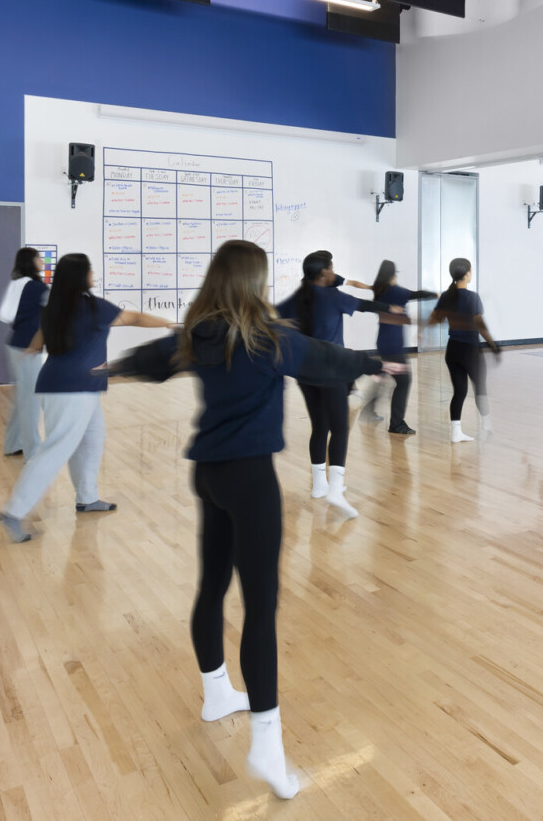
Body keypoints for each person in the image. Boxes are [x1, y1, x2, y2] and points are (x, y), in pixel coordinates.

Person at [106, 240, 403, 801]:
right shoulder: (269, 339)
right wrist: (370, 362)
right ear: (254, 282)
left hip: (209, 476)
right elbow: (322, 357)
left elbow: (151, 360)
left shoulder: (197, 335)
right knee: (260, 607)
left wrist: (111, 366)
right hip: (250, 482)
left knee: (212, 587)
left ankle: (216, 692)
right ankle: (267, 745)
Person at [0, 253, 174, 542]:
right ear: (83, 276)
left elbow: (38, 341)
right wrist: (168, 323)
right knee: (55, 449)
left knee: (93, 438)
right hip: (73, 389)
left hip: (72, 385)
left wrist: (33, 352)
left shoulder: (55, 308)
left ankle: (87, 498)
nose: (94, 275)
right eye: (91, 271)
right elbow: (136, 318)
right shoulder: (95, 307)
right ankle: (13, 512)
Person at [277, 250, 399, 519]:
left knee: (319, 426)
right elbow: (363, 305)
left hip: (304, 372)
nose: (334, 272)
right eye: (331, 269)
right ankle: (335, 489)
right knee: (340, 428)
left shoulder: (298, 297)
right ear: (323, 273)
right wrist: (390, 308)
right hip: (332, 369)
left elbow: (274, 318)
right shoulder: (332, 297)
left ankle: (319, 485)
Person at [359, 260, 436, 435]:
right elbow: (416, 294)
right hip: (393, 344)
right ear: (393, 274)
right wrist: (435, 294)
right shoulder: (396, 291)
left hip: (383, 342)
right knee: (404, 381)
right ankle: (397, 424)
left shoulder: (380, 292)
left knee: (385, 374)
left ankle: (368, 411)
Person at [429, 258, 499, 443]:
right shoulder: (472, 297)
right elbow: (481, 327)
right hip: (470, 351)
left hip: (452, 350)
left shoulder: (446, 296)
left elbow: (435, 319)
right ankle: (486, 424)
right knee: (480, 389)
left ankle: (456, 432)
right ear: (467, 273)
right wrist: (493, 345)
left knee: (459, 391)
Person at [0, 247, 48, 458]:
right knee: (30, 401)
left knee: (23, 399)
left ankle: (12, 444)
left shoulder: (17, 284)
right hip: (28, 349)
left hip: (14, 345)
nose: (42, 261)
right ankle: (33, 453)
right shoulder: (37, 287)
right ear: (31, 261)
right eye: (39, 257)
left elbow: (7, 315)